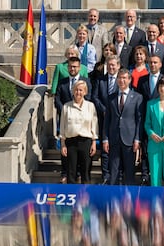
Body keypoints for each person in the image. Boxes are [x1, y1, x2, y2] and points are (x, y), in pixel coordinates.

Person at [55, 57, 92, 184]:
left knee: (85, 167)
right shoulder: (62, 82)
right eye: (70, 66)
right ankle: (66, 175)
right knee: (69, 165)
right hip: (69, 125)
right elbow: (57, 99)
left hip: (84, 132)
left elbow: (90, 100)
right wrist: (66, 110)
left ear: (79, 68)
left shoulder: (86, 81)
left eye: (75, 66)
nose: (72, 68)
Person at [103, 68, 142, 185]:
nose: (122, 80)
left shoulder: (137, 97)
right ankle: (113, 197)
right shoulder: (111, 97)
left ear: (129, 80)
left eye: (124, 78)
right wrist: (105, 139)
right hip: (114, 138)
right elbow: (107, 120)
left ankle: (129, 198)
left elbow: (139, 119)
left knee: (129, 171)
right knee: (114, 170)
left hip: (129, 139)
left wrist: (137, 139)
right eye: (120, 78)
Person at [60, 80, 98, 184]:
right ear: (73, 91)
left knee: (85, 172)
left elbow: (94, 125)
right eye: (76, 90)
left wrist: (94, 142)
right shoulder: (66, 106)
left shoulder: (90, 106)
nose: (78, 92)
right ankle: (72, 196)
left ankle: (85, 198)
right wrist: (63, 144)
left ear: (85, 92)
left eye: (81, 90)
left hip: (86, 142)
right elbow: (62, 127)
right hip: (71, 142)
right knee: (71, 173)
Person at [136, 55, 164, 185]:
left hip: (160, 120)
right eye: (150, 62)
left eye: (155, 62)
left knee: (160, 148)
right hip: (145, 118)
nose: (152, 65)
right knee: (145, 147)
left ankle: (161, 175)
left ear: (160, 64)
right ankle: (145, 174)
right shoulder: (142, 80)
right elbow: (138, 98)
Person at [92, 55, 121, 184]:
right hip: (103, 118)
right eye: (109, 65)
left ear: (118, 66)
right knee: (104, 147)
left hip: (118, 119)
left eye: (113, 65)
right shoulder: (100, 80)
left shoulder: (122, 80)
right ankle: (105, 175)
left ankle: (117, 175)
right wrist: (103, 110)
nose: (111, 67)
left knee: (116, 147)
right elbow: (95, 97)